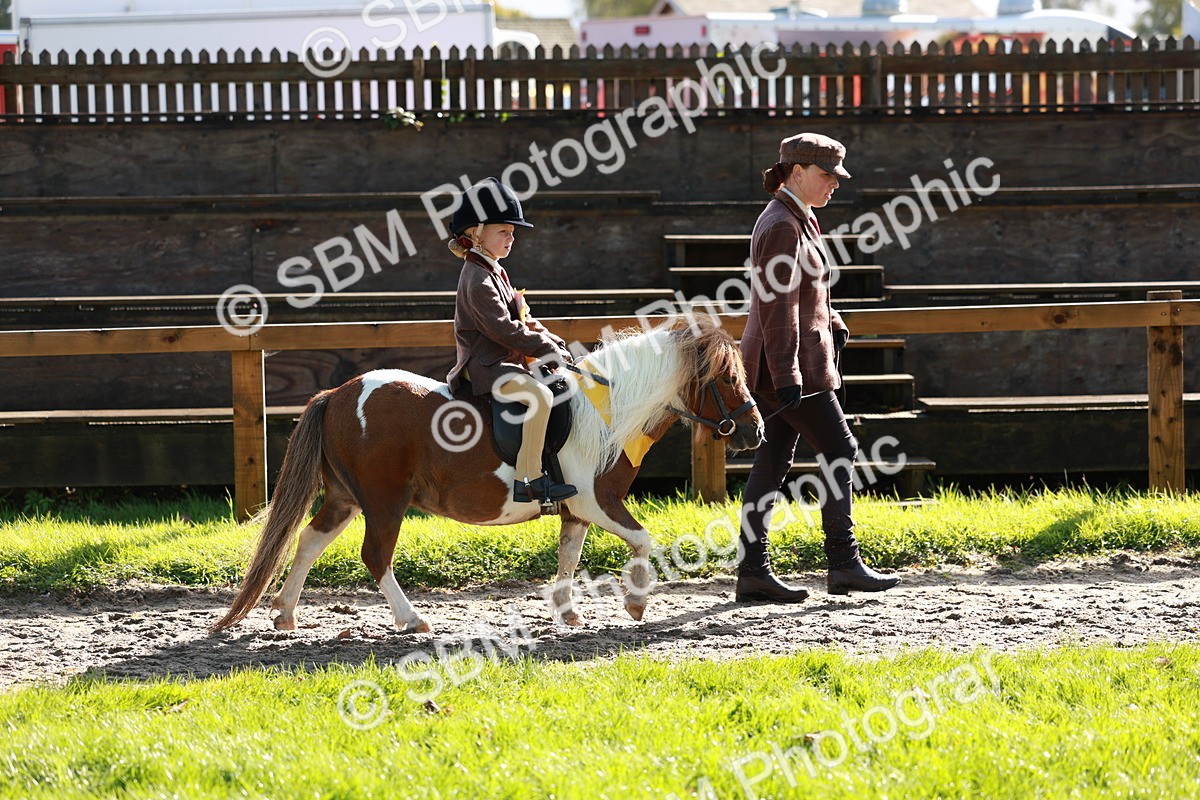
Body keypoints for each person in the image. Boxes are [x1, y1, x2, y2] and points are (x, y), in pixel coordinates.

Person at [736, 133, 900, 602]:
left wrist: (834, 322)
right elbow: (776, 306)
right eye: (827, 175)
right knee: (840, 448)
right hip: (788, 367)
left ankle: (753, 572)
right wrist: (786, 376)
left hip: (791, 362)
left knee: (772, 461)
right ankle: (843, 565)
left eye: (836, 177)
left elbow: (810, 290)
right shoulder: (782, 224)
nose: (834, 185)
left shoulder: (799, 218)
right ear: (796, 171)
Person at [445, 177, 578, 504]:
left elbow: (523, 319)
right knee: (540, 396)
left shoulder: (495, 271)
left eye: (513, 233)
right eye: (503, 231)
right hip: (485, 366)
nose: (511, 238)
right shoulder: (477, 278)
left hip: (504, 362)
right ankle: (527, 479)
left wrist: (553, 339)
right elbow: (503, 329)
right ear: (476, 233)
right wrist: (545, 348)